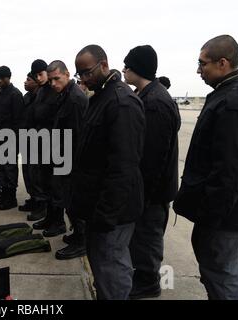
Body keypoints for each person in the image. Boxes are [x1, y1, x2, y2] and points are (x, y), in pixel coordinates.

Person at [71, 45, 145, 299]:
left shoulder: (121, 102)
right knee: (102, 266)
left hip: (114, 212)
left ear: (104, 65)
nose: (82, 79)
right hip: (99, 206)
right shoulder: (101, 96)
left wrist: (106, 215)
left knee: (112, 267)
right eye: (78, 73)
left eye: (87, 72)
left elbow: (123, 168)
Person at [173, 35, 238, 300]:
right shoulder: (225, 95)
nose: (198, 70)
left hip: (223, 215)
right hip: (220, 211)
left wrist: (213, 217)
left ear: (223, 63)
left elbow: (230, 169)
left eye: (203, 64)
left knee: (221, 273)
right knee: (217, 271)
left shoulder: (232, 103)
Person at [122, 45, 181, 299]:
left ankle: (148, 282)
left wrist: (143, 193)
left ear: (138, 69)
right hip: (148, 189)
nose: (124, 70)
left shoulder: (155, 102)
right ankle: (143, 276)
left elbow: (153, 157)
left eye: (127, 66)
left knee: (148, 237)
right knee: (142, 237)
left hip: (152, 191)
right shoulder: (148, 95)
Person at [34, 60, 88, 259]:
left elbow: (76, 136)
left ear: (67, 74)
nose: (54, 83)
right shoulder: (64, 95)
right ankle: (77, 233)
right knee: (63, 197)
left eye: (57, 78)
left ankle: (82, 239)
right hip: (61, 155)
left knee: (72, 200)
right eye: (51, 80)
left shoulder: (74, 99)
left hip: (70, 159)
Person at [26, 59, 61, 234]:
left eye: (41, 74)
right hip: (40, 143)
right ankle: (49, 217)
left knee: (56, 187)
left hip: (53, 145)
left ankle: (58, 221)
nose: (39, 78)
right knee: (44, 182)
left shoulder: (56, 91)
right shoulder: (40, 93)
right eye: (36, 75)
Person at [0, 66, 24, 210]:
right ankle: (4, 194)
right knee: (1, 168)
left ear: (8, 78)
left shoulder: (15, 94)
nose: (0, 81)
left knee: (10, 169)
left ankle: (11, 198)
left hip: (10, 138)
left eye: (2, 78)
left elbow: (19, 119)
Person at [18, 72, 40, 212]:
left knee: (37, 175)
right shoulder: (26, 97)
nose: (25, 82)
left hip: (37, 142)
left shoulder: (41, 97)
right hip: (25, 140)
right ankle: (33, 198)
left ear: (36, 82)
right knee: (27, 173)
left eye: (28, 79)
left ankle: (40, 204)